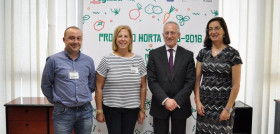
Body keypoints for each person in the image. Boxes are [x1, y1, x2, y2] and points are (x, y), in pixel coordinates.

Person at [41, 26, 95, 134]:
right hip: (63, 112)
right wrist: (58, 101)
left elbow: (91, 84)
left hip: (85, 111)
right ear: (64, 40)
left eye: (79, 38)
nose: (75, 41)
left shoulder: (88, 61)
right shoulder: (53, 60)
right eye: (71, 38)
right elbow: (45, 85)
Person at [95, 25, 147, 134]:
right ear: (115, 39)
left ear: (130, 39)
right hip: (111, 108)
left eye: (126, 36)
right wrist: (99, 110)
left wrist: (142, 109)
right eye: (120, 36)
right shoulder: (107, 59)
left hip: (132, 108)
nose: (123, 39)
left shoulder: (139, 60)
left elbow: (143, 86)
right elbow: (98, 87)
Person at [195, 17, 242, 133]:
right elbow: (196, 81)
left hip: (223, 107)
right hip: (204, 108)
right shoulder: (203, 53)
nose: (213, 32)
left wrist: (228, 108)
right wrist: (198, 101)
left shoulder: (233, 54)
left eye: (217, 28)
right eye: (210, 29)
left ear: (224, 31)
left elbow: (236, 84)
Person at [147, 21, 196, 134]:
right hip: (160, 105)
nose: (169, 36)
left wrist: (176, 101)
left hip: (180, 106)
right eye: (167, 33)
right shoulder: (154, 54)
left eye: (172, 33)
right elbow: (152, 80)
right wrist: (165, 100)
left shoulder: (188, 55)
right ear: (163, 35)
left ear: (179, 35)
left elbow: (190, 81)